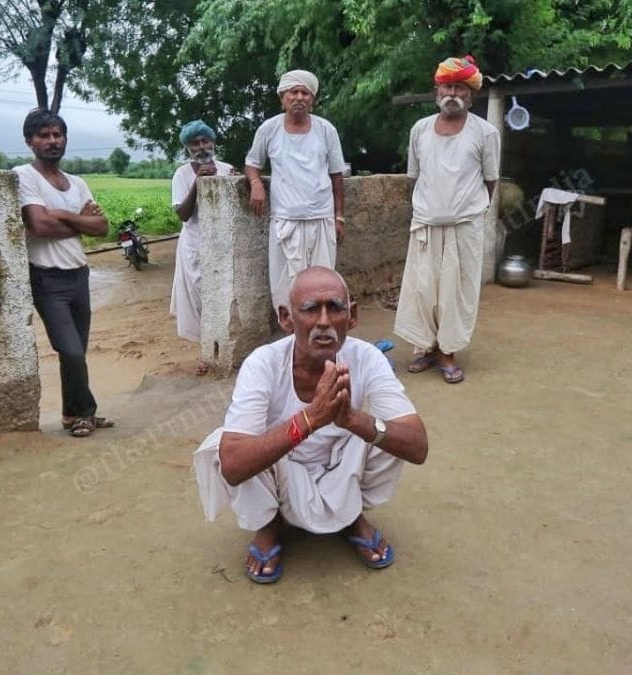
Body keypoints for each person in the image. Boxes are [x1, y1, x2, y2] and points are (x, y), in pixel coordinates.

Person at [193, 267, 428, 584]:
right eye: (310, 309)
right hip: (282, 467)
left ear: (352, 315)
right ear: (286, 318)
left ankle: (350, 515)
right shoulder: (262, 363)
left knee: (386, 433)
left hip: (341, 462)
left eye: (334, 307)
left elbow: (418, 446)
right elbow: (233, 465)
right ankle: (271, 524)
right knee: (222, 446)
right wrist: (309, 420)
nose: (323, 322)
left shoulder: (367, 358)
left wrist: (352, 419)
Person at [394, 55, 500, 385]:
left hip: (465, 225)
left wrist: (470, 211)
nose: (453, 92)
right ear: (437, 91)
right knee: (423, 289)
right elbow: (414, 177)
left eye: (460, 87)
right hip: (425, 223)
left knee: (456, 292)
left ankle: (448, 351)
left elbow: (490, 180)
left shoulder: (486, 132)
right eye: (447, 86)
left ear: (471, 94)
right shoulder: (420, 130)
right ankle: (425, 346)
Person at [13, 108, 113, 437]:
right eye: (44, 135)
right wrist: (78, 220)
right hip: (47, 278)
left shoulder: (78, 182)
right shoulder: (24, 176)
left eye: (58, 134)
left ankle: (72, 413)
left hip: (78, 275)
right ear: (30, 141)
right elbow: (39, 225)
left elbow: (102, 227)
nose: (53, 141)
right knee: (69, 350)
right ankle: (86, 413)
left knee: (77, 352)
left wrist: (63, 215)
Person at [245, 69, 347, 312]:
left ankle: (320, 340)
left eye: (305, 93)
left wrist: (339, 217)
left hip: (322, 220)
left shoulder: (326, 130)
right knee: (285, 287)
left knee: (323, 285)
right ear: (283, 98)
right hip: (285, 221)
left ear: (312, 99)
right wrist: (256, 184)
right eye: (294, 92)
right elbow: (252, 164)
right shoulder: (269, 129)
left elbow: (337, 176)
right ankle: (292, 339)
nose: (299, 97)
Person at [170, 119, 235, 374]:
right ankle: (207, 354)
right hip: (195, 247)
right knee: (200, 303)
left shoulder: (227, 169)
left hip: (224, 248)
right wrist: (197, 184)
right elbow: (183, 215)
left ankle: (227, 348)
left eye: (205, 141)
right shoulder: (182, 175)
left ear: (213, 142)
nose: (201, 146)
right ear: (188, 148)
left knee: (224, 300)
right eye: (195, 143)